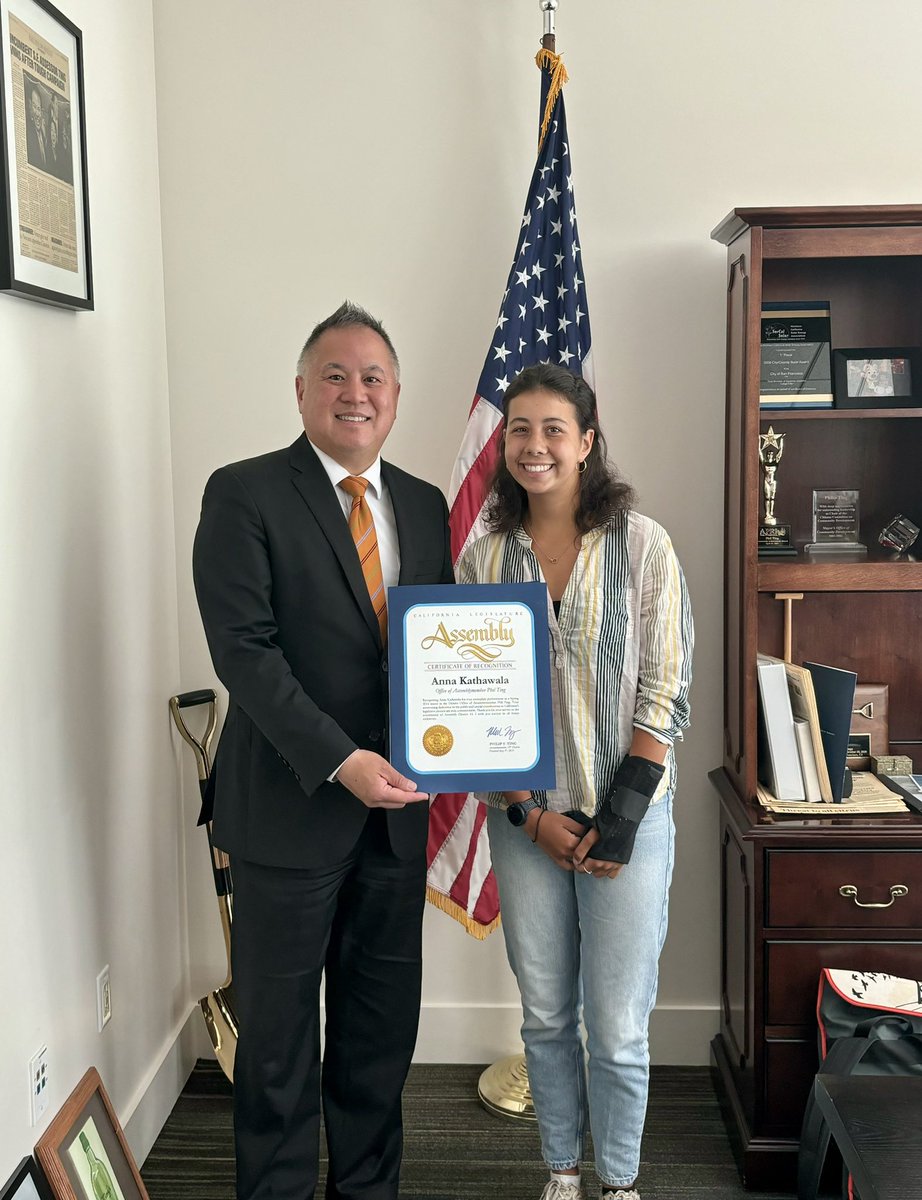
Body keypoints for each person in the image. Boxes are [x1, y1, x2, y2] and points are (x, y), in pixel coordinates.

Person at [193, 302, 453, 1200]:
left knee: (379, 1041)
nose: (355, 393)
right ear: (301, 389)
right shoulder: (245, 491)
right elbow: (245, 653)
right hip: (288, 817)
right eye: (335, 376)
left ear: (395, 395)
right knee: (278, 1047)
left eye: (372, 378)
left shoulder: (425, 505)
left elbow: (442, 655)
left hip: (397, 825)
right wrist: (342, 759)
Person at [457, 364, 693, 1200]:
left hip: (629, 819)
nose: (535, 445)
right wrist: (527, 816)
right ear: (504, 442)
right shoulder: (483, 560)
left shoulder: (644, 546)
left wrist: (620, 818)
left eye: (554, 429)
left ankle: (619, 1183)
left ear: (587, 442)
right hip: (529, 830)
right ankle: (561, 1172)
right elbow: (472, 710)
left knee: (620, 1028)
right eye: (520, 429)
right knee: (548, 1017)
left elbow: (667, 690)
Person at [25, 83, 48, 171]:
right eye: (35, 107)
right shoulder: (28, 134)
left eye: (39, 108)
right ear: (30, 107)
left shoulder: (44, 135)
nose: (38, 114)